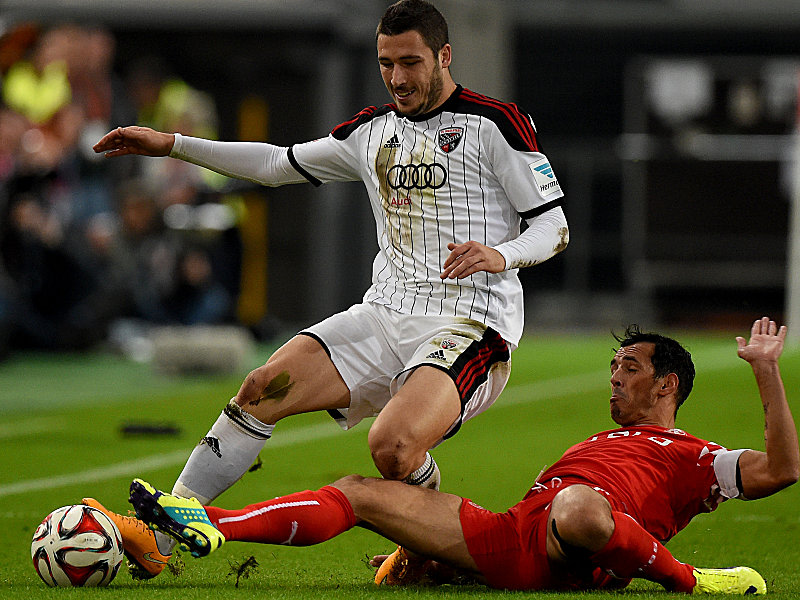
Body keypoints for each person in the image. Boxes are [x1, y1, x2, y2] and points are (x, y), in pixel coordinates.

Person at [86, 0, 569, 580]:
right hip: (384, 313)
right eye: (386, 63)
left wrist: (502, 253)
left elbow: (554, 226)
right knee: (263, 386)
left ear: (444, 56)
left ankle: (426, 544)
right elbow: (273, 162)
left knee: (393, 449)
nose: (397, 78)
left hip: (470, 326)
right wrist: (172, 145)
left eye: (411, 62)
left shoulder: (495, 123)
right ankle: (160, 534)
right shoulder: (370, 131)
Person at [120, 317, 797, 594]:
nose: (614, 378)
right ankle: (209, 521)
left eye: (628, 367)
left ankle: (692, 582)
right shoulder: (599, 442)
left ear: (666, 384)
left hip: (580, 535)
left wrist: (766, 371)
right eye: (614, 366)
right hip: (521, 532)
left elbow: (780, 469)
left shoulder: (694, 456)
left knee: (582, 506)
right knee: (360, 489)